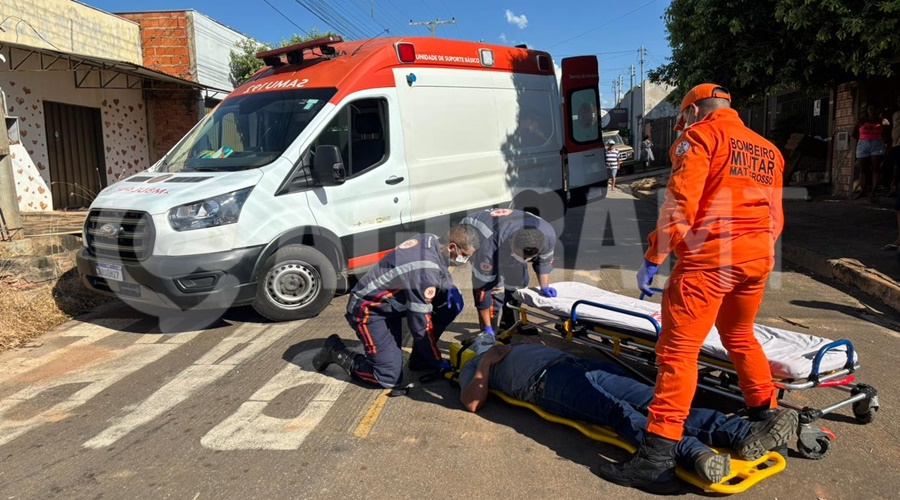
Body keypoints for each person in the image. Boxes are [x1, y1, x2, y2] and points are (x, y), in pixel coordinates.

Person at [602, 83, 789, 491]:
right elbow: (775, 215)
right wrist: (758, 253)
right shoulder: (768, 150)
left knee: (677, 354)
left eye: (683, 117)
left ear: (692, 111)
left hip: (709, 262)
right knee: (739, 335)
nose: (682, 124)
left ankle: (657, 454)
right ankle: (766, 412)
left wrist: (654, 256)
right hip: (757, 259)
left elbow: (680, 203)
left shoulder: (701, 136)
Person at [460, 342, 798, 494]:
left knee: (657, 400)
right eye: (477, 341)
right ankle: (694, 452)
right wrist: (487, 361)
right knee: (617, 412)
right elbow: (472, 403)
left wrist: (520, 343)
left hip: (578, 365)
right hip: (547, 384)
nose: (485, 340)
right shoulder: (474, 366)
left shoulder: (509, 343)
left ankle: (740, 432)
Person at [313, 225, 481, 388]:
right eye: (465, 255)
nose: (465, 260)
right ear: (452, 247)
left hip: (392, 301)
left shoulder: (430, 240)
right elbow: (420, 326)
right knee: (387, 378)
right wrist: (436, 360)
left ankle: (420, 358)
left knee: (452, 301)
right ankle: (335, 351)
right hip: (370, 309)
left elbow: (440, 273)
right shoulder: (425, 270)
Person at [460, 208, 557, 337]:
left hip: (505, 231)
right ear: (511, 243)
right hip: (479, 232)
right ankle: (490, 331)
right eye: (520, 255)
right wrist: (486, 328)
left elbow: (544, 262)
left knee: (519, 284)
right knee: (495, 291)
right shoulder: (488, 248)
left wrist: (544, 286)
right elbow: (482, 290)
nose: (523, 260)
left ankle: (509, 324)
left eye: (526, 258)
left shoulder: (547, 236)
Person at [851, 103, 887, 200]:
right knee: (863, 169)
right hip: (863, 144)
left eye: (874, 109)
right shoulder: (862, 120)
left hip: (877, 144)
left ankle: (873, 192)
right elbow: (854, 133)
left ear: (877, 110)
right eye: (870, 108)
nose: (872, 111)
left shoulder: (882, 121)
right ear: (867, 110)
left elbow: (887, 133)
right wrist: (863, 139)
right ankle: (862, 191)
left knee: (875, 168)